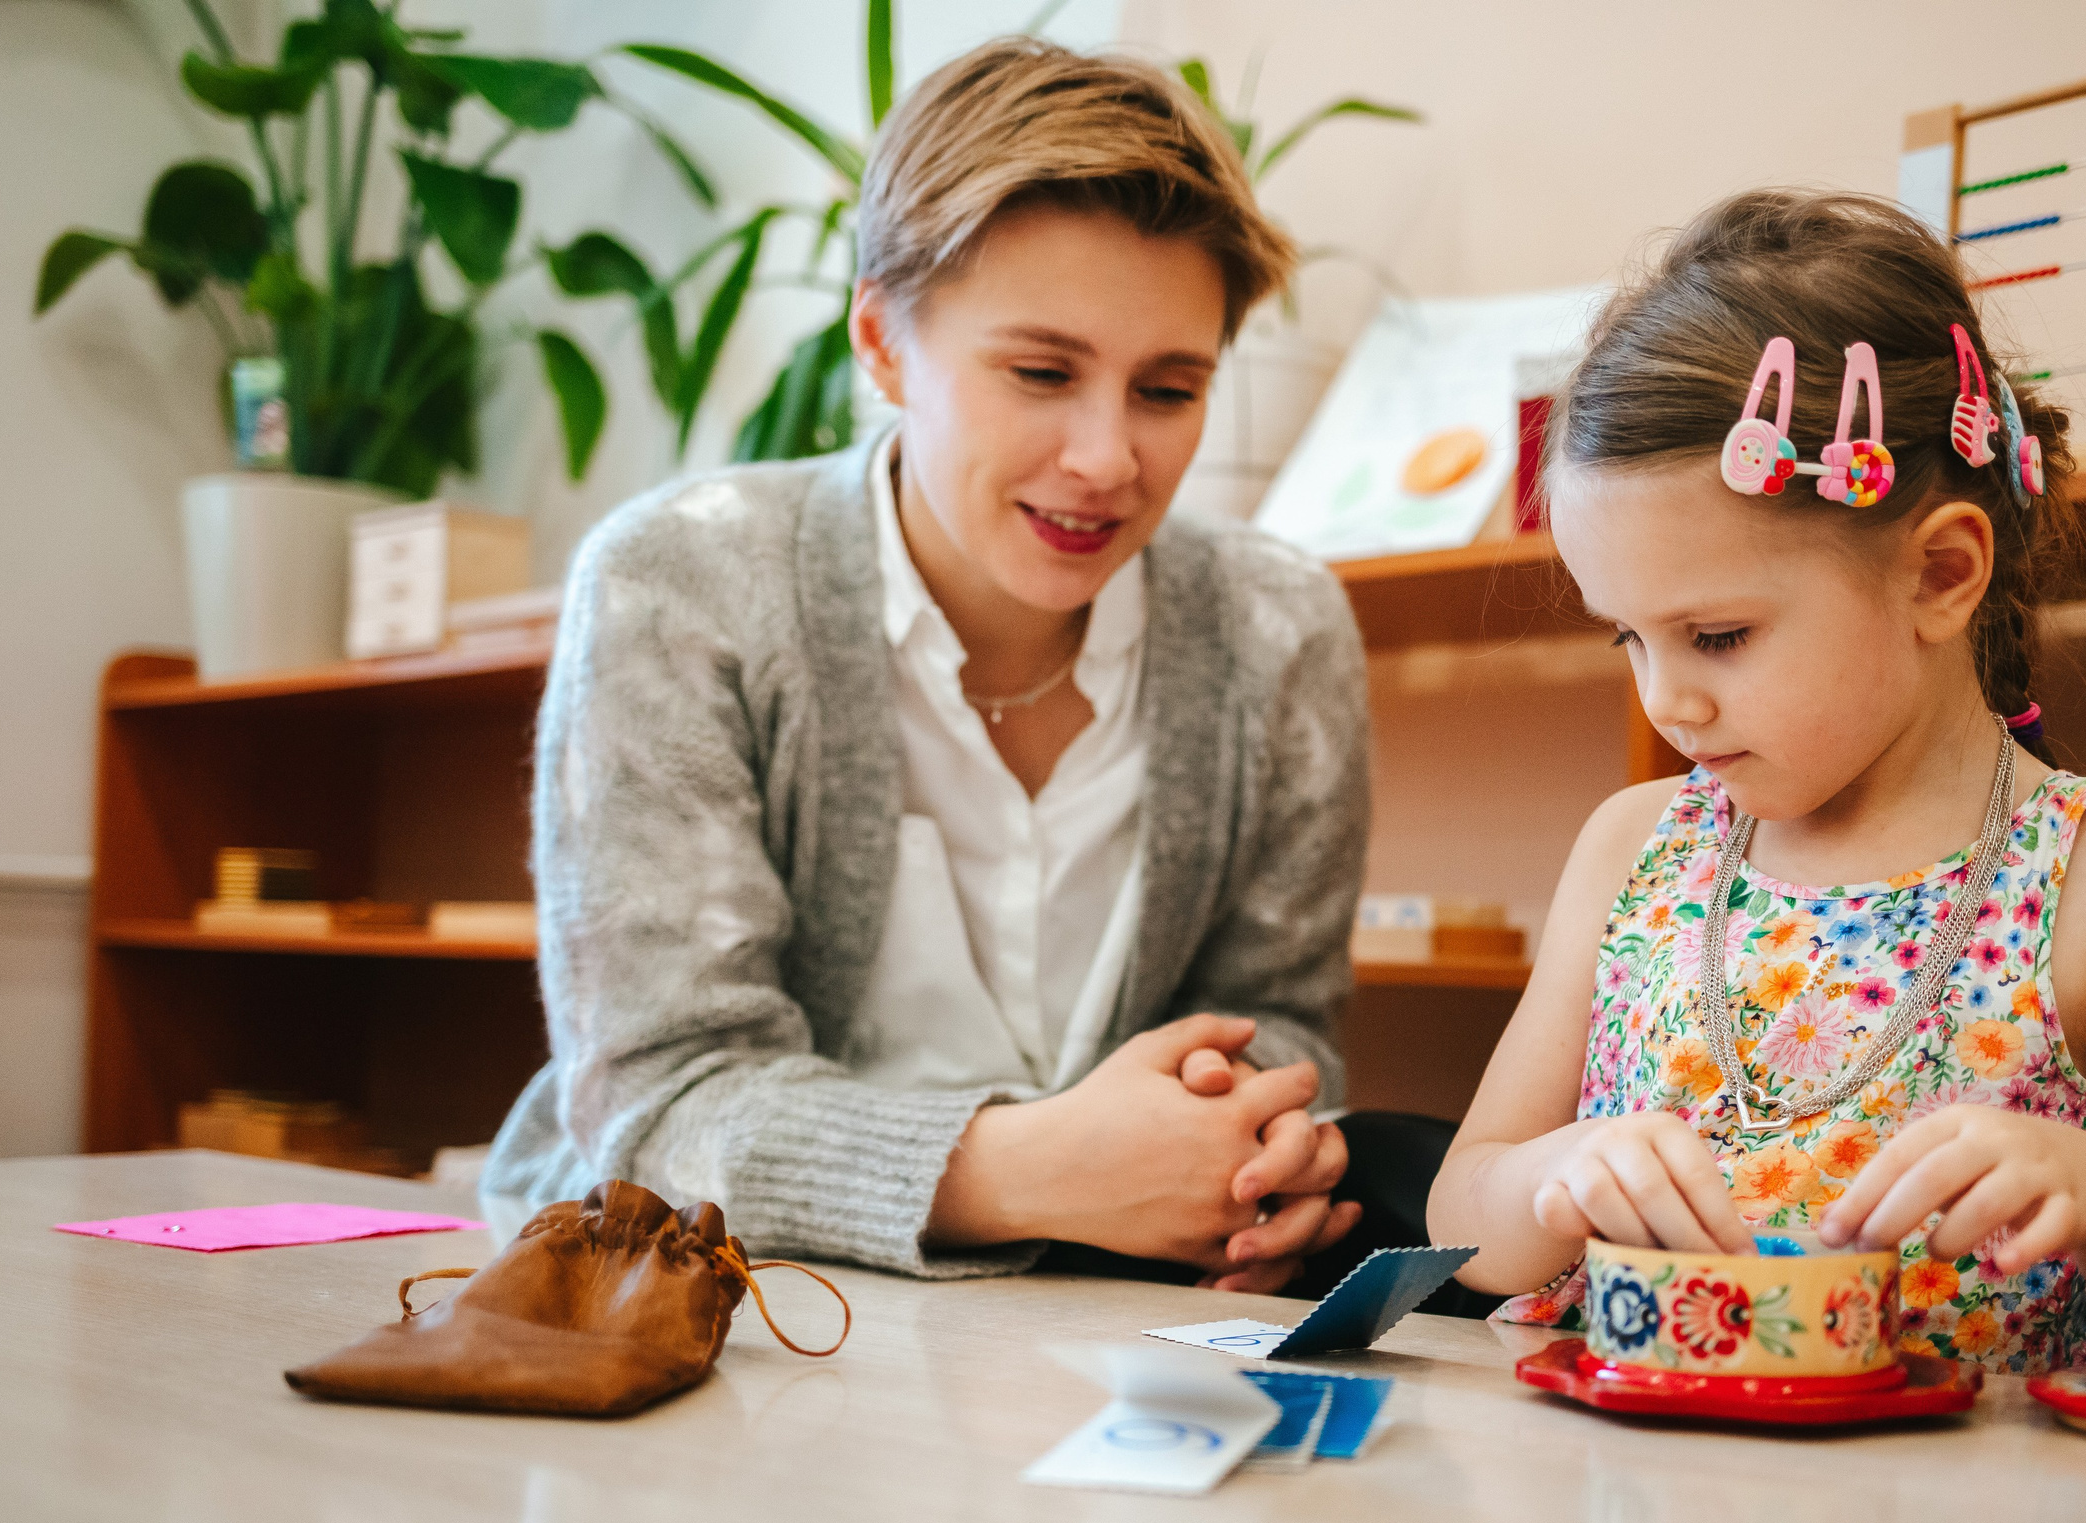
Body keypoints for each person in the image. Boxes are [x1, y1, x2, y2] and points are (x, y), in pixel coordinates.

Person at [485, 39, 1442, 1295]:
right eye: (1041, 373)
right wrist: (1035, 1170)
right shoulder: (681, 584)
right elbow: (661, 1102)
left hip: (1101, 1321)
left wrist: (1252, 1161)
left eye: (1168, 389)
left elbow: (1277, 1020)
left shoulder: (1278, 630)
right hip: (715, 1304)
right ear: (881, 342)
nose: (1107, 458)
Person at [1427, 190, 2086, 1371]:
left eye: (1719, 635)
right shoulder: (1630, 847)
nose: (1665, 701)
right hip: (1619, 1515)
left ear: (1942, 575)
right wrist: (1549, 1179)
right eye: (1627, 639)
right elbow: (1459, 1218)